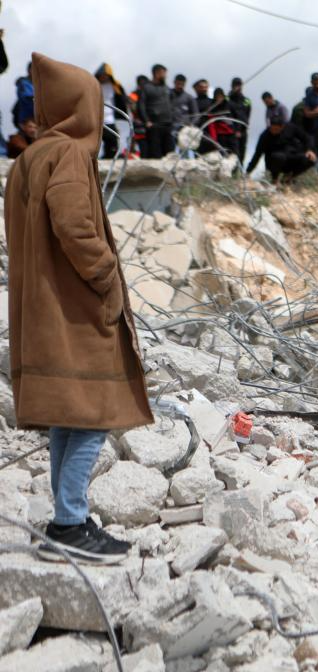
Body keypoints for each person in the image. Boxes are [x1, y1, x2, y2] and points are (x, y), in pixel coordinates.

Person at [5, 52, 153, 564]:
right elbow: (73, 225)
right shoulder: (68, 153)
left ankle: (65, 520)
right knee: (94, 413)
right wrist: (106, 276)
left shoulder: (29, 158)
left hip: (43, 311)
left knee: (69, 416)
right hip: (75, 307)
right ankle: (69, 522)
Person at [246, 112, 317, 183]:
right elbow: (257, 155)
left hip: (290, 157)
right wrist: (248, 172)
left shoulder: (291, 128)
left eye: (276, 129)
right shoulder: (264, 136)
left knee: (311, 159)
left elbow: (307, 138)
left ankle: (289, 178)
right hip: (273, 161)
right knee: (279, 157)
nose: (274, 131)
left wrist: (309, 150)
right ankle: (274, 180)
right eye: (272, 129)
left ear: (282, 127)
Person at [94, 63, 128, 159]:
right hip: (96, 120)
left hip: (110, 119)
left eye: (106, 75)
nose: (104, 77)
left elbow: (122, 99)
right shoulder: (93, 85)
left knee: (112, 142)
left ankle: (110, 159)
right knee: (94, 143)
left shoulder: (115, 86)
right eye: (102, 75)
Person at [138, 64, 173, 158]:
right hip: (154, 125)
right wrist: (146, 121)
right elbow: (141, 105)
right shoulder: (146, 87)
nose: (165, 76)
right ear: (157, 73)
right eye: (163, 73)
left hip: (168, 124)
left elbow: (172, 103)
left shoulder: (166, 88)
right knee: (155, 154)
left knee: (170, 153)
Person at [205, 87, 237, 155]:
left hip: (231, 133)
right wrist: (214, 139)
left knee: (235, 154)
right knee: (223, 154)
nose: (219, 99)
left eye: (220, 96)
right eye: (217, 97)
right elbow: (211, 125)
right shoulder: (212, 109)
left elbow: (237, 118)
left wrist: (237, 130)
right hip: (221, 135)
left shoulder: (229, 105)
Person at [228, 77, 252, 163]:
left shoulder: (247, 101)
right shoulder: (227, 99)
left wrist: (242, 130)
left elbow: (247, 115)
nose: (238, 87)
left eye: (239, 85)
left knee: (242, 153)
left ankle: (240, 169)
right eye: (235, 85)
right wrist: (234, 130)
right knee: (233, 154)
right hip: (231, 132)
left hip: (243, 131)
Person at [13, 62, 34, 127]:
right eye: (33, 69)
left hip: (37, 117)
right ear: (29, 70)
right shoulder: (23, 83)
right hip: (27, 118)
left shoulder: (41, 83)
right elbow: (26, 98)